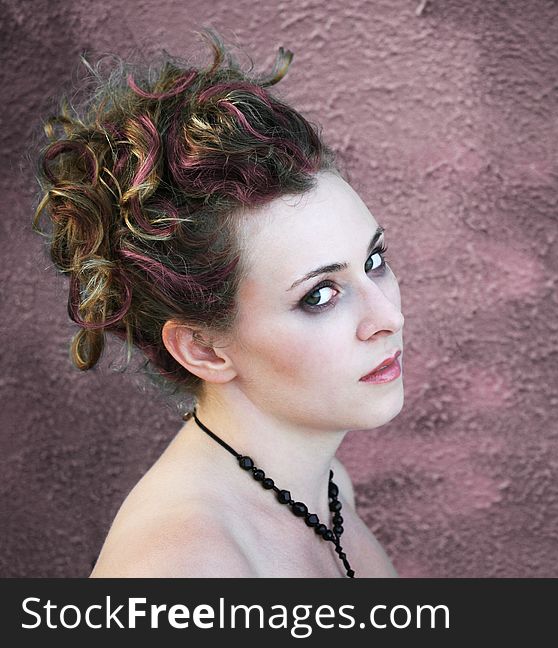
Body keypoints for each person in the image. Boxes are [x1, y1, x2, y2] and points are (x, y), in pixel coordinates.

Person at [30, 29, 404, 578]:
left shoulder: (323, 486)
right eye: (319, 296)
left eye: (374, 262)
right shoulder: (184, 570)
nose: (388, 318)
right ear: (203, 349)